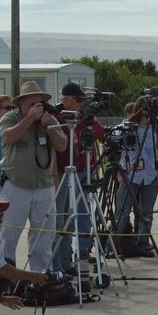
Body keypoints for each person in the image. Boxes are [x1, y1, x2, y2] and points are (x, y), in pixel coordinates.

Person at [0, 81, 66, 271]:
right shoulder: (10, 118)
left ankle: (40, 277)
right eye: (32, 104)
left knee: (44, 236)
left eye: (40, 103)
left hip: (43, 186)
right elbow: (8, 137)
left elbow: (62, 146)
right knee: (8, 235)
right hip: (15, 185)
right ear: (21, 104)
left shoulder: (48, 120)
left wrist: (48, 127)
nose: (37, 108)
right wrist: (29, 119)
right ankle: (6, 279)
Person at [50, 83, 107, 273]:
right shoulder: (56, 118)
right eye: (77, 101)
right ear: (65, 100)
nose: (80, 106)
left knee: (82, 214)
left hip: (84, 171)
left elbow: (103, 135)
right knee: (62, 218)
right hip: (62, 173)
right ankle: (59, 262)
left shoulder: (86, 118)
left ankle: (79, 254)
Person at [115, 101, 158, 257]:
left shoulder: (154, 129)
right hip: (129, 177)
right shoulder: (122, 128)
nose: (148, 116)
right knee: (122, 212)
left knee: (146, 213)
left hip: (150, 176)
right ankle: (114, 246)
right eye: (145, 113)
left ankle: (143, 244)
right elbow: (115, 153)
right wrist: (118, 174)